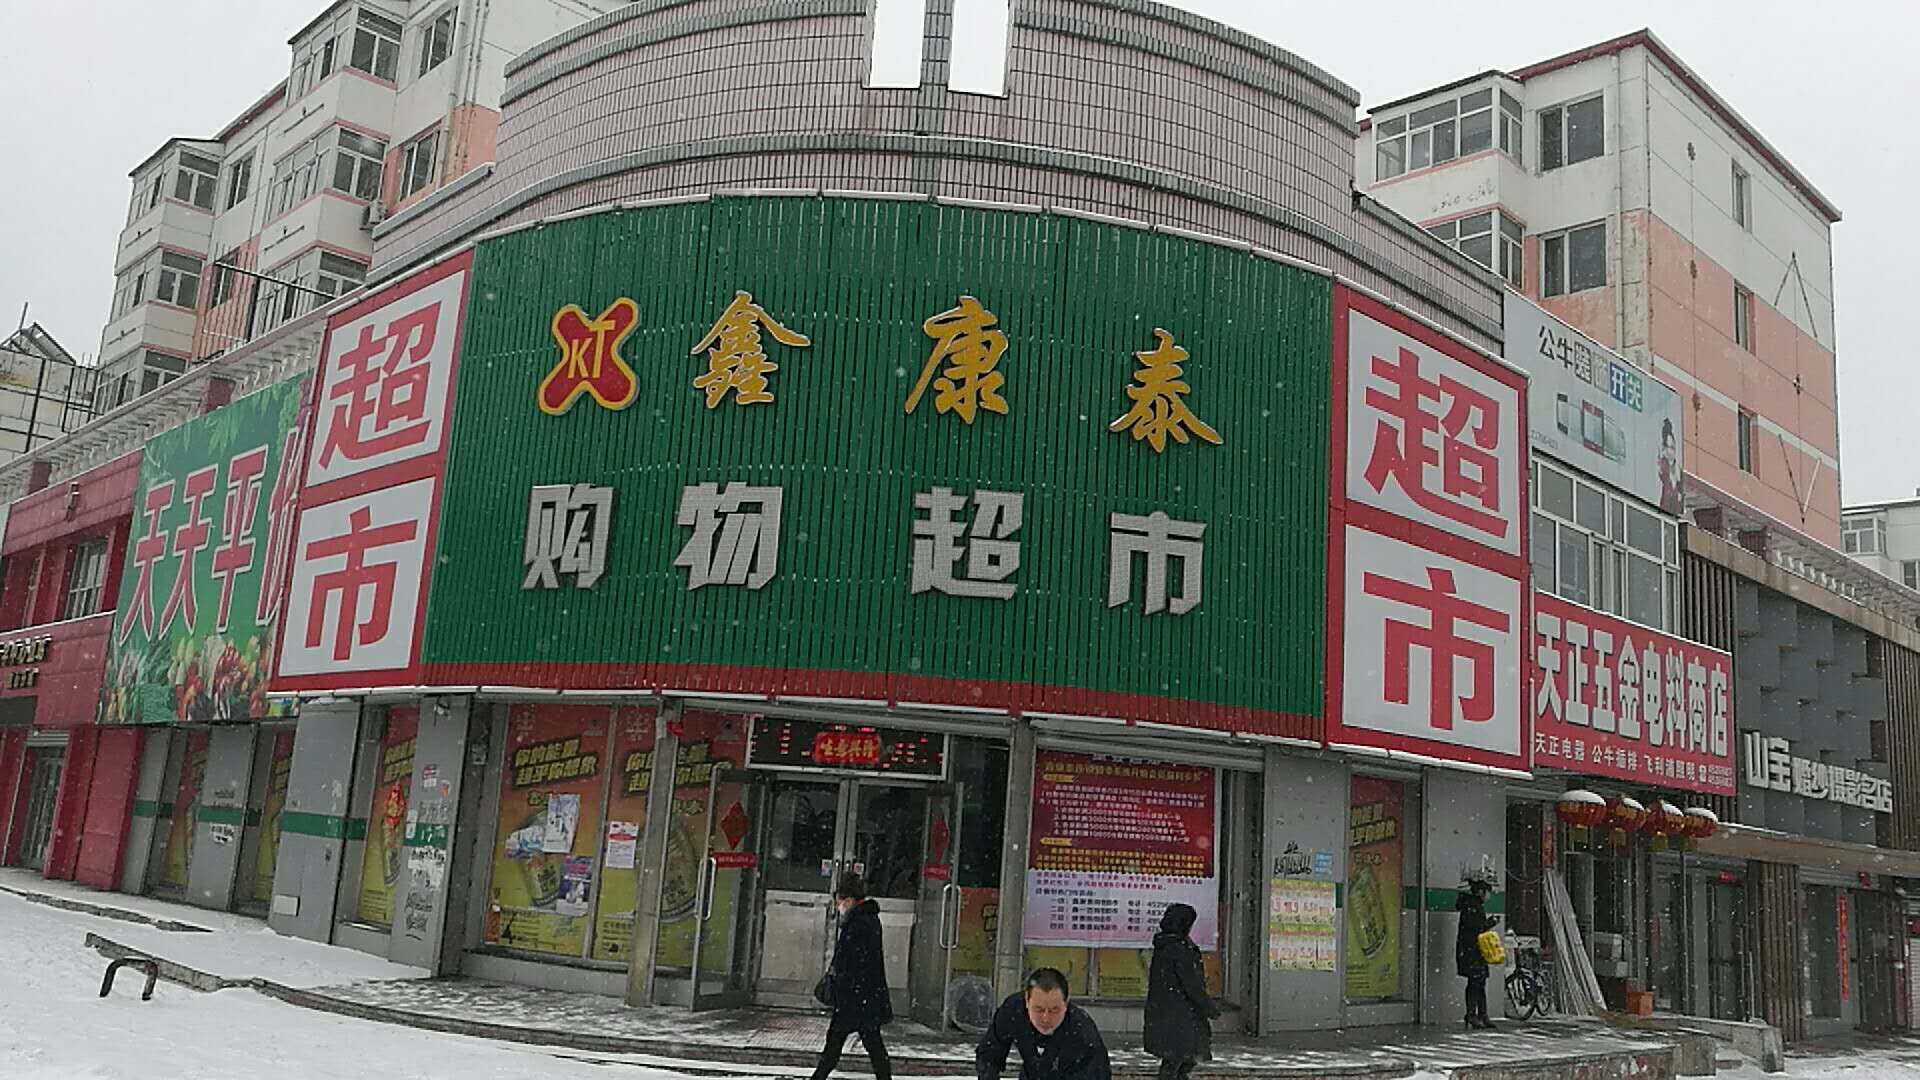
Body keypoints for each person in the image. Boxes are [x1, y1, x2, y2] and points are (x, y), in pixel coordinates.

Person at [811, 873, 893, 1080]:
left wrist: (840, 983)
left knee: (838, 1043)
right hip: (864, 996)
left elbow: (850, 962)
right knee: (871, 1044)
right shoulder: (867, 919)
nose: (838, 906)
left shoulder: (858, 923)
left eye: (839, 901)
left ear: (848, 900)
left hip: (855, 997)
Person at [976, 968, 1112, 1080]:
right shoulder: (1013, 1011)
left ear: (1066, 1004)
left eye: (1054, 1010)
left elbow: (1099, 1074)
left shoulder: (1084, 1034)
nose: (1046, 1018)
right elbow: (988, 1055)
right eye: (1039, 1009)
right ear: (1027, 1001)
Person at [1144, 903, 1219, 1080]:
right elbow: (1192, 985)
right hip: (1181, 1016)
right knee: (1179, 1061)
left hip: (1167, 1013)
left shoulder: (1165, 945)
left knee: (1176, 1061)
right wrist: (1209, 1008)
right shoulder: (1179, 949)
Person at [1455, 876, 1499, 1030]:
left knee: (1479, 982)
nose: (1488, 896)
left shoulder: (1473, 905)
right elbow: (1476, 927)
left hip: (1474, 950)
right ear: (1481, 892)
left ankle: (1480, 1015)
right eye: (1487, 892)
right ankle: (1473, 1014)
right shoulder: (1471, 906)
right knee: (1476, 982)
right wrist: (1491, 922)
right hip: (1472, 951)